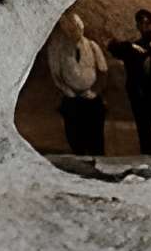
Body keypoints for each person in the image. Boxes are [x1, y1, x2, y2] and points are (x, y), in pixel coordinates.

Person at [108, 6, 151, 155]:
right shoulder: (133, 49)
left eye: (147, 23)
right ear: (137, 26)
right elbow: (112, 47)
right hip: (141, 102)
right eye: (140, 24)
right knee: (145, 140)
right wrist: (131, 46)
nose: (144, 27)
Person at [46, 11, 107, 155]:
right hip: (72, 99)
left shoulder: (93, 46)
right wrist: (67, 90)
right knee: (75, 138)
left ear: (82, 28)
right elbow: (57, 75)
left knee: (96, 138)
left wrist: (94, 92)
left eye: (77, 28)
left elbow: (103, 72)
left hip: (91, 99)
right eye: (71, 29)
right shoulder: (61, 51)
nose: (75, 32)